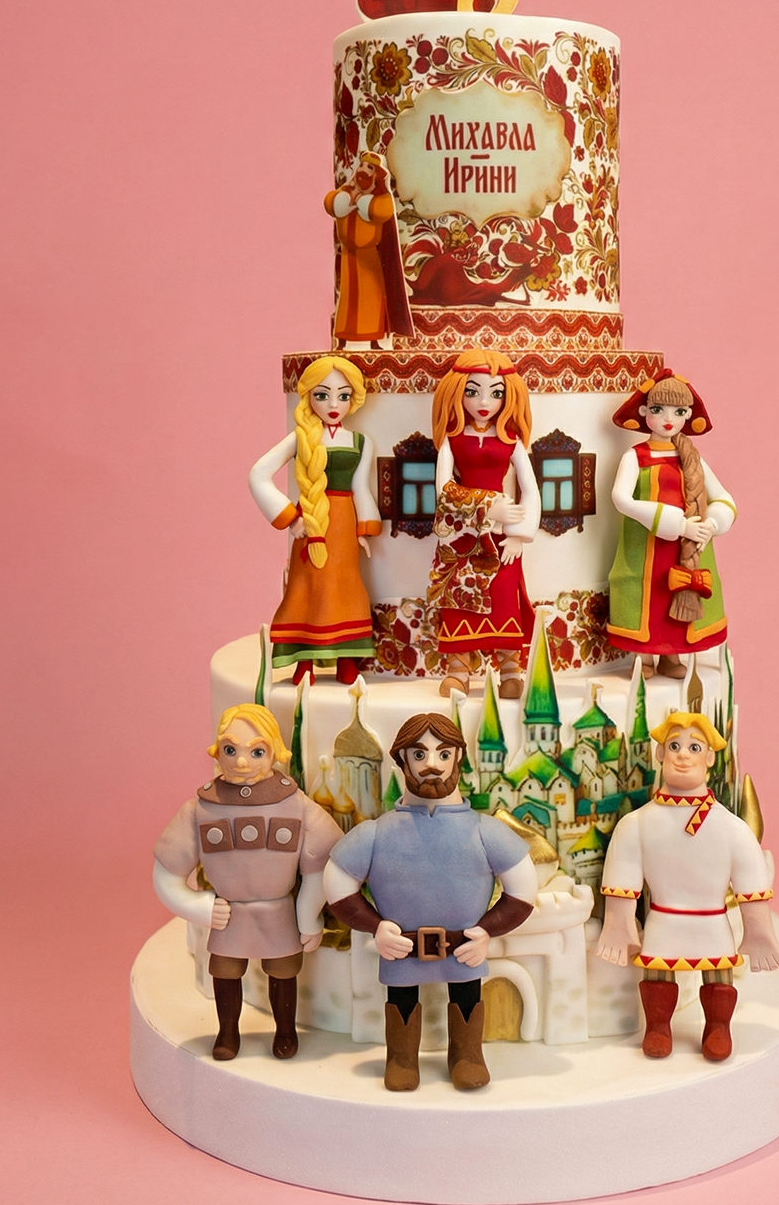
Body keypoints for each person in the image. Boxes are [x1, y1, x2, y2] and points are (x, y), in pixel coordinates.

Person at [322, 713, 537, 1091]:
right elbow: (337, 883)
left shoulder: (484, 831)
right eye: (419, 754)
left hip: (464, 948)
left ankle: (467, 1055)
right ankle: (401, 1057)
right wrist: (376, 927)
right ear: (402, 761)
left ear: (459, 758)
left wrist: (486, 931)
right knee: (401, 1000)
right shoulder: (377, 833)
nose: (432, 765)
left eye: (443, 753)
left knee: (467, 996)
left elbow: (523, 890)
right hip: (402, 948)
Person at [152, 703, 342, 1061]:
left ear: (275, 752)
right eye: (230, 749)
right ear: (216, 751)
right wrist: (199, 907)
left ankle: (285, 1031)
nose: (241, 761)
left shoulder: (295, 804)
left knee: (283, 971)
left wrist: (307, 913)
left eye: (256, 752)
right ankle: (227, 1032)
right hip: (228, 914)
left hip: (278, 912)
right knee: (225, 971)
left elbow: (322, 862)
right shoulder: (201, 808)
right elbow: (166, 873)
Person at [595, 711, 779, 1061]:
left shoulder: (731, 828)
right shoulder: (636, 824)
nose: (683, 755)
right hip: (663, 920)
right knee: (657, 972)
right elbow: (622, 882)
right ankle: (658, 1027)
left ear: (709, 758)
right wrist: (619, 928)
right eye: (674, 746)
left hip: (712, 922)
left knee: (719, 974)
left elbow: (751, 886)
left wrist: (759, 934)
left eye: (694, 747)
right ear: (660, 753)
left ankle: (718, 1027)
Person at [249, 355, 381, 684]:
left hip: (344, 527)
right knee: (308, 589)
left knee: (345, 588)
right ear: (309, 396)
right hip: (311, 523)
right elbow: (259, 474)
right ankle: (304, 660)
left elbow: (360, 487)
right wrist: (291, 518)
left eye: (343, 395)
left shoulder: (360, 442)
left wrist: (364, 529)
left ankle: (346, 660)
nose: (334, 405)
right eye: (323, 395)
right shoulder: (301, 437)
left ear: (354, 398)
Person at [606, 368, 735, 678]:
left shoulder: (692, 458)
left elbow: (722, 497)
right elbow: (621, 498)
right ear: (644, 412)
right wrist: (677, 524)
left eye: (678, 412)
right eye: (658, 410)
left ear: (687, 415)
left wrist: (711, 524)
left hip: (689, 548)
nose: (668, 419)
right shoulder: (635, 457)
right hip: (646, 547)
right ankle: (644, 658)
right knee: (648, 596)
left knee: (677, 596)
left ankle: (671, 656)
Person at [427, 348, 540, 699]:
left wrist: (520, 536)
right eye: (473, 392)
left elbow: (531, 489)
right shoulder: (451, 439)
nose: (484, 402)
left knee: (504, 597)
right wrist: (489, 506)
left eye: (496, 393)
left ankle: (510, 669)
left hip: (502, 540)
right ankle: (458, 671)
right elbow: (443, 490)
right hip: (462, 535)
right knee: (459, 599)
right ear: (456, 393)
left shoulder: (511, 442)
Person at [327, 152, 414, 348]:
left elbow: (382, 211)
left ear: (377, 175)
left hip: (369, 256)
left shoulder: (379, 197)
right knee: (347, 299)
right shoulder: (347, 191)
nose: (363, 171)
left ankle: (375, 338)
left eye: (370, 168)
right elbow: (330, 202)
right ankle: (344, 338)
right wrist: (347, 199)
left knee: (372, 298)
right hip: (348, 256)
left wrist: (359, 200)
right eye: (362, 165)